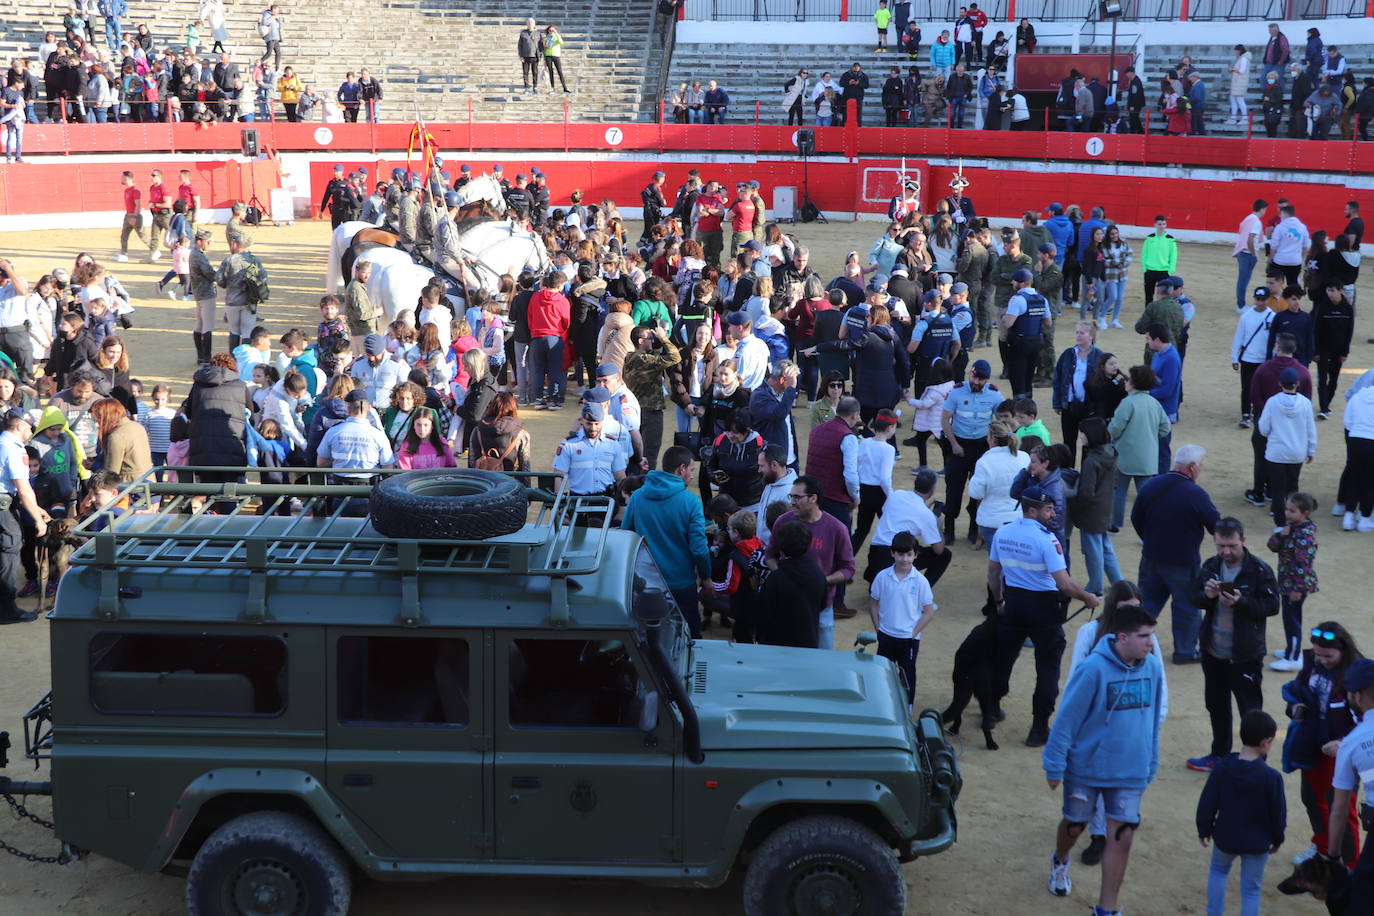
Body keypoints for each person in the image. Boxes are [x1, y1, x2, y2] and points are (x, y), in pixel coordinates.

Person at [1042, 603, 1162, 915]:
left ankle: (1106, 909)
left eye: (1152, 635)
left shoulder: (1152, 667)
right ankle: (1060, 859)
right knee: (1075, 826)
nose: (1152, 643)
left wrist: (1150, 762)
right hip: (1087, 770)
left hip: (1131, 771)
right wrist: (1054, 765)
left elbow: (1151, 720)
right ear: (1122, 638)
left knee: (1121, 840)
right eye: (1145, 636)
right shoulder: (1092, 669)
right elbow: (1067, 720)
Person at [989, 485, 1100, 747]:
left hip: (1014, 602)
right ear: (1032, 510)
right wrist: (1087, 597)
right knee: (1047, 668)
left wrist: (999, 601)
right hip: (1044, 608)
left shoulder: (1003, 532)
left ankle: (992, 708)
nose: (1052, 513)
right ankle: (1039, 727)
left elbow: (993, 574)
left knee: (1003, 659)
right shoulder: (1047, 539)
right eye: (1048, 509)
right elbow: (1063, 584)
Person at [1185, 516, 1280, 772]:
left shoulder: (1259, 570)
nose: (1226, 552)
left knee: (1250, 711)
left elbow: (1272, 606)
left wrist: (1242, 602)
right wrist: (1207, 595)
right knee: (1216, 705)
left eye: (1231, 546)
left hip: (1245, 655)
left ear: (1243, 541)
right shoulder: (1211, 566)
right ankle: (1219, 754)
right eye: (1221, 546)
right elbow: (1193, 597)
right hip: (1213, 652)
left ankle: (1257, 762)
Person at [1280, 622, 1363, 866]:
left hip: (1341, 753)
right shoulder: (1311, 665)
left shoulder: (1358, 676)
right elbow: (1295, 693)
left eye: (1328, 656)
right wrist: (1294, 709)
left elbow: (1366, 720)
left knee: (1343, 810)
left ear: (1343, 650)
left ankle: (1350, 866)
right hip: (1312, 745)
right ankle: (1323, 847)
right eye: (1317, 654)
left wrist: (1343, 744)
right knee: (1311, 798)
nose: (1322, 660)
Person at [1132, 444, 1221, 665]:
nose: (1200, 470)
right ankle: (1185, 651)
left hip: (1151, 556)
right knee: (1187, 608)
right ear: (1192, 467)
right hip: (1183, 561)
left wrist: (1150, 539)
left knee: (1147, 604)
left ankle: (1132, 644)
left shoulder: (1151, 485)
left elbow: (1136, 518)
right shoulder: (1196, 494)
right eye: (1200, 466)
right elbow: (1216, 525)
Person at [1197, 709, 1286, 916]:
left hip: (1225, 836)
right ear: (1266, 742)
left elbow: (1208, 801)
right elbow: (1278, 814)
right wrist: (1277, 839)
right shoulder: (1271, 777)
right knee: (1251, 890)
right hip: (1257, 842)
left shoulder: (1222, 769)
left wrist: (1204, 828)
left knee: (1218, 872)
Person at [621, 444, 710, 638]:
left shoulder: (637, 498)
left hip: (645, 584)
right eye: (692, 470)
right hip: (681, 584)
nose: (692, 476)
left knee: (647, 638)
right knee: (688, 637)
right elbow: (699, 549)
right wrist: (706, 577)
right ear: (681, 469)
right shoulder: (691, 502)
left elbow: (625, 538)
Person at [763, 474, 856, 651]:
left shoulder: (836, 528)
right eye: (792, 496)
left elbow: (848, 568)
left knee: (823, 658)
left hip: (821, 606)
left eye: (797, 497)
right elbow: (770, 555)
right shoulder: (783, 522)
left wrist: (821, 580)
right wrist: (783, 575)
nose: (792, 502)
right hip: (787, 603)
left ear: (813, 498)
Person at [869, 530, 937, 710]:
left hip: (909, 640)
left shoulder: (921, 582)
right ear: (892, 553)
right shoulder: (882, 577)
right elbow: (873, 604)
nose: (905, 559)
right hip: (886, 636)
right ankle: (882, 707)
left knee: (908, 676)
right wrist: (879, 630)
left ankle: (907, 709)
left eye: (909, 554)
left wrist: (912, 634)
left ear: (916, 555)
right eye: (900, 554)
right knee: (882, 674)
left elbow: (928, 612)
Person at [941, 358, 1001, 544]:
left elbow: (1001, 420)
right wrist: (954, 444)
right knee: (953, 489)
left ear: (987, 380)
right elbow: (945, 420)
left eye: (981, 380)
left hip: (981, 447)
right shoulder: (957, 392)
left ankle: (974, 530)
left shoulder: (995, 395)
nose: (976, 383)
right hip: (958, 444)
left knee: (980, 490)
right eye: (974, 378)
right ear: (970, 374)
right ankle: (949, 529)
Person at [1107, 365, 1170, 530]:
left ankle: (1116, 525)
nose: (1126, 381)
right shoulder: (1154, 403)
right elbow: (1165, 428)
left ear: (1134, 383)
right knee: (1147, 496)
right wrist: (1149, 436)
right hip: (1147, 457)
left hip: (1125, 456)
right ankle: (1148, 527)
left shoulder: (1127, 403)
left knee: (1119, 492)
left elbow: (1115, 428)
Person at [0, 409, 48, 624]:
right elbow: (24, 487)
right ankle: (6, 610)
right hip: (3, 507)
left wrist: (37, 510)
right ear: (20, 426)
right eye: (30, 427)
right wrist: (37, 519)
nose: (31, 431)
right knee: (9, 553)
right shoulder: (12, 449)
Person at [1258, 366, 1317, 526]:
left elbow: (1263, 429)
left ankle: (1279, 524)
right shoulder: (1305, 403)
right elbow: (1310, 428)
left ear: (1280, 383)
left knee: (1278, 490)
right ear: (1297, 383)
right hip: (1296, 452)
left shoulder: (1272, 402)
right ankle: (1294, 521)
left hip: (1276, 452)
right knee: (1293, 488)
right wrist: (1311, 450)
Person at [1266, 491, 1318, 672]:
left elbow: (1303, 564)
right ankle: (1291, 649)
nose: (1287, 513)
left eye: (1292, 511)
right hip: (1287, 582)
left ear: (1304, 513)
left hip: (1295, 585)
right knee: (1291, 617)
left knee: (1292, 619)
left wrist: (1298, 588)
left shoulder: (1305, 535)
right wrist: (1281, 535)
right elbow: (1272, 546)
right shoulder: (1290, 527)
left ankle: (1294, 656)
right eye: (1287, 509)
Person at [755, 519, 826, 649]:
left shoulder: (775, 579)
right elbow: (822, 605)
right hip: (807, 642)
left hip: (778, 646)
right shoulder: (818, 574)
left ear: (781, 547)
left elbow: (763, 614)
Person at [1072, 418, 1122, 598]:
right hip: (1105, 507)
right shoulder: (1111, 453)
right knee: (1106, 548)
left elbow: (1086, 492)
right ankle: (1118, 583)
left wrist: (1075, 506)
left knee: (1093, 551)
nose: (1080, 436)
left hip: (1091, 512)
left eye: (1082, 433)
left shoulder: (1091, 461)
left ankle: (1096, 587)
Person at [315, 391, 393, 480]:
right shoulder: (378, 435)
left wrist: (336, 460)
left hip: (339, 487)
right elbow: (387, 467)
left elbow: (321, 463)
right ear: (368, 409)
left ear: (348, 409)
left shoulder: (333, 431)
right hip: (368, 487)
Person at [1052, 322, 1102, 451]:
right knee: (1068, 442)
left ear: (1091, 336)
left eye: (1082, 333)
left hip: (1089, 406)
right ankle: (1069, 470)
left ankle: (1086, 471)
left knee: (1089, 443)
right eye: (1077, 332)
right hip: (1069, 404)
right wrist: (1057, 403)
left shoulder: (1099, 356)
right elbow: (1057, 378)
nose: (1078, 336)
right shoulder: (1068, 354)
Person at [1000, 268, 1047, 400]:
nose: (1012, 283)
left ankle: (1020, 407)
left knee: (1017, 377)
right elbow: (1048, 322)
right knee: (1029, 377)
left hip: (1020, 343)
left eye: (1014, 281)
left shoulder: (1017, 299)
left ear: (1022, 283)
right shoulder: (1042, 299)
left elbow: (1008, 323)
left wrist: (1004, 316)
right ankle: (1028, 405)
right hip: (1036, 341)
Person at [1232, 287, 1274, 428]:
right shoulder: (1246, 316)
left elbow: (1274, 340)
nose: (1260, 302)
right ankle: (1245, 414)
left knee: (1263, 388)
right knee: (1246, 388)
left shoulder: (1273, 317)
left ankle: (1259, 413)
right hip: (1248, 358)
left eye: (1263, 299)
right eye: (1258, 299)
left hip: (1264, 360)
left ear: (1268, 300)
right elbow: (1239, 337)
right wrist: (1234, 358)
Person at [1312, 281, 1354, 419]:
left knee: (1334, 380)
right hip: (1323, 349)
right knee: (1322, 379)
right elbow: (1316, 330)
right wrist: (1316, 351)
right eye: (1328, 290)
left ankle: (1326, 403)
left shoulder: (1347, 309)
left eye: (1332, 290)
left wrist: (1344, 352)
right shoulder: (1322, 307)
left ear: (1340, 290)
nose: (1330, 293)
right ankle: (1324, 407)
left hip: (1338, 351)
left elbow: (1349, 332)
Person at [1140, 215, 1177, 308]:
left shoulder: (1170, 239)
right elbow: (1144, 254)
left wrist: (1170, 270)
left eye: (1163, 224)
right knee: (1148, 295)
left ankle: (1161, 312)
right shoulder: (1149, 238)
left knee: (1164, 295)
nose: (1161, 226)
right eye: (1159, 224)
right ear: (1155, 225)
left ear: (1166, 225)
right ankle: (1148, 313)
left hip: (1164, 271)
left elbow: (1173, 256)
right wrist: (1145, 268)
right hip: (1150, 270)